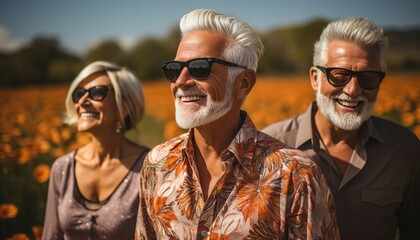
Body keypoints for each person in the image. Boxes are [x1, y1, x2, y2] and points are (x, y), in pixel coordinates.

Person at [135, 9, 340, 239]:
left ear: (243, 83)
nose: (181, 81)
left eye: (200, 68)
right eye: (174, 69)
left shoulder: (295, 176)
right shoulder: (156, 165)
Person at [263, 17, 420, 240]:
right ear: (315, 78)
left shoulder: (404, 149)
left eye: (368, 77)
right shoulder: (270, 147)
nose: (353, 89)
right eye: (339, 75)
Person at [42, 61, 149, 239]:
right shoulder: (62, 169)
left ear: (126, 105)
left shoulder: (149, 168)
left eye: (97, 92)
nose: (83, 101)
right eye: (79, 93)